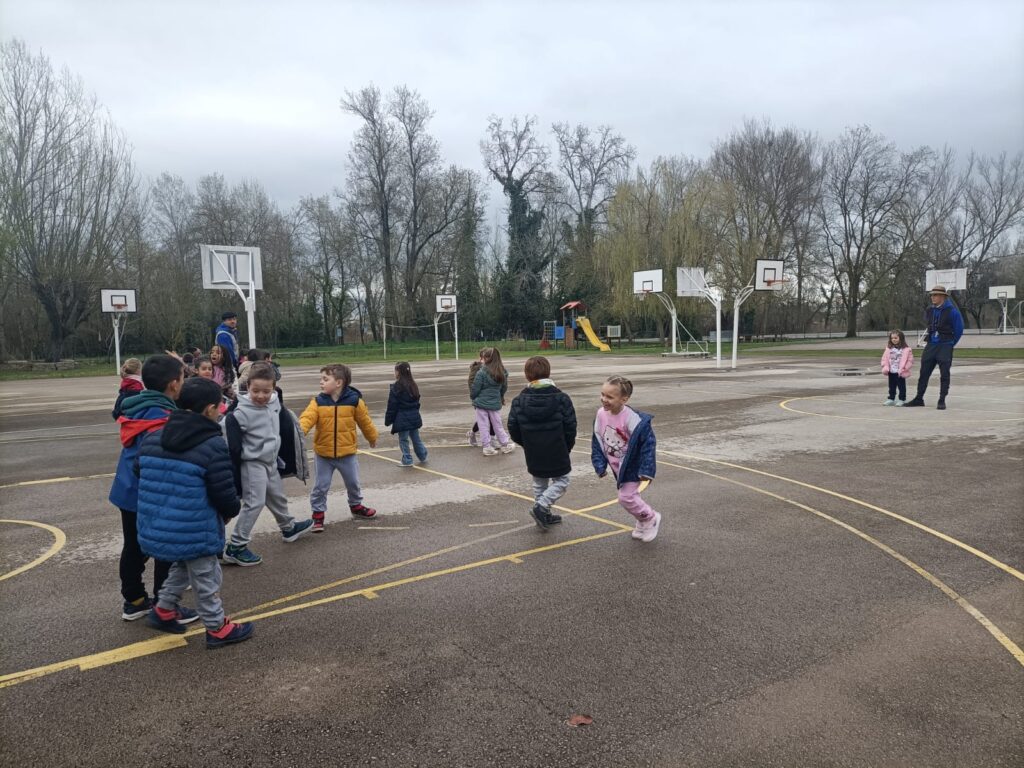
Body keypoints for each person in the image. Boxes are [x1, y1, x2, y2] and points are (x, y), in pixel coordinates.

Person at [136, 376, 254, 649]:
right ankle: (217, 627)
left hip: (158, 523)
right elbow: (223, 489)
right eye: (218, 407)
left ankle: (164, 608)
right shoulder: (212, 444)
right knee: (206, 576)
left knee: (183, 564)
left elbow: (140, 472)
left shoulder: (153, 438)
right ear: (209, 410)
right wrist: (230, 510)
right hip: (195, 525)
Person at [108, 354, 183, 620]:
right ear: (174, 384)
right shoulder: (165, 419)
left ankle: (134, 600)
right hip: (152, 493)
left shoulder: (135, 406)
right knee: (165, 547)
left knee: (133, 546)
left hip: (127, 489)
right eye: (182, 378)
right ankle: (165, 604)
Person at [221, 363, 313, 565]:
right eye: (255, 391)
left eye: (266, 391)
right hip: (252, 463)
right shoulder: (241, 412)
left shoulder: (274, 401)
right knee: (254, 503)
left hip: (270, 460)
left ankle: (288, 528)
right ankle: (236, 546)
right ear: (247, 387)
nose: (261, 396)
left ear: (273, 388)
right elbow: (225, 430)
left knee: (277, 496)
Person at [300, 364, 379, 532]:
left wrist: (372, 437)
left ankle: (356, 506)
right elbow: (306, 419)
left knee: (353, 483)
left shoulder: (355, 401)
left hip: (347, 454)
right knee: (321, 486)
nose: (321, 382)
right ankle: (318, 514)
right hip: (324, 455)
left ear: (338, 383)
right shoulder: (318, 402)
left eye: (325, 379)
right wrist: (299, 434)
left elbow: (365, 422)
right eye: (321, 379)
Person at [508, 356, 577, 530]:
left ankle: (542, 512)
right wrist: (567, 446)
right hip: (557, 447)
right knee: (562, 480)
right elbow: (570, 426)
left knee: (539, 482)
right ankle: (542, 507)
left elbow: (513, 427)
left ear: (527, 375)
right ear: (548, 372)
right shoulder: (562, 399)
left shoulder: (519, 401)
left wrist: (527, 443)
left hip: (533, 449)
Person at [591, 375, 661, 543]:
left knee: (625, 497)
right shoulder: (601, 414)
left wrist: (646, 469)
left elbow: (648, 444)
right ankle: (642, 522)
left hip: (632, 465)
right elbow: (597, 440)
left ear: (624, 399)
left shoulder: (633, 419)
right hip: (618, 466)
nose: (604, 399)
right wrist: (599, 464)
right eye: (602, 394)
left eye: (609, 396)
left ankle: (650, 518)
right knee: (630, 497)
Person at [905, 285, 964, 410]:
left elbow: (959, 329)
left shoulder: (952, 311)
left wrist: (950, 343)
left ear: (943, 296)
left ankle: (942, 399)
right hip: (931, 344)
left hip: (945, 345)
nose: (932, 297)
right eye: (932, 295)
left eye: (935, 295)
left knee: (944, 374)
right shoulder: (930, 310)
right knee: (924, 372)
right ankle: (919, 398)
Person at [470, 347, 515, 456]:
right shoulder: (502, 372)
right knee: (497, 424)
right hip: (494, 403)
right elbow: (504, 388)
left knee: (483, 425)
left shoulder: (481, 372)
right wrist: (500, 397)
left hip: (481, 403)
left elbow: (475, 388)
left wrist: (474, 398)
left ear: (487, 358)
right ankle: (505, 444)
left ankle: (487, 447)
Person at [384, 361, 428, 467]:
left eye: (395, 371)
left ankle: (407, 459)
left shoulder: (396, 387)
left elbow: (392, 405)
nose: (394, 373)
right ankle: (422, 455)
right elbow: (417, 402)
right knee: (416, 438)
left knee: (403, 440)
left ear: (399, 372)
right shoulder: (413, 385)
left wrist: (388, 419)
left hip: (402, 418)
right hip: (413, 417)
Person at [465, 358, 494, 447]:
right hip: (480, 399)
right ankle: (490, 440)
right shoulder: (477, 369)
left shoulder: (489, 368)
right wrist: (477, 398)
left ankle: (473, 433)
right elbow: (472, 386)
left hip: (489, 398)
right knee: (487, 418)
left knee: (489, 418)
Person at [880, 330, 914, 406]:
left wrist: (905, 368)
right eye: (892, 338)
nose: (894, 339)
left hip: (900, 372)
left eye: (896, 338)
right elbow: (884, 359)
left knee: (901, 387)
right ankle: (891, 398)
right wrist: (885, 366)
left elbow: (910, 360)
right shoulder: (889, 349)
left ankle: (902, 399)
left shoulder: (906, 349)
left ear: (901, 338)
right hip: (891, 371)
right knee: (891, 386)